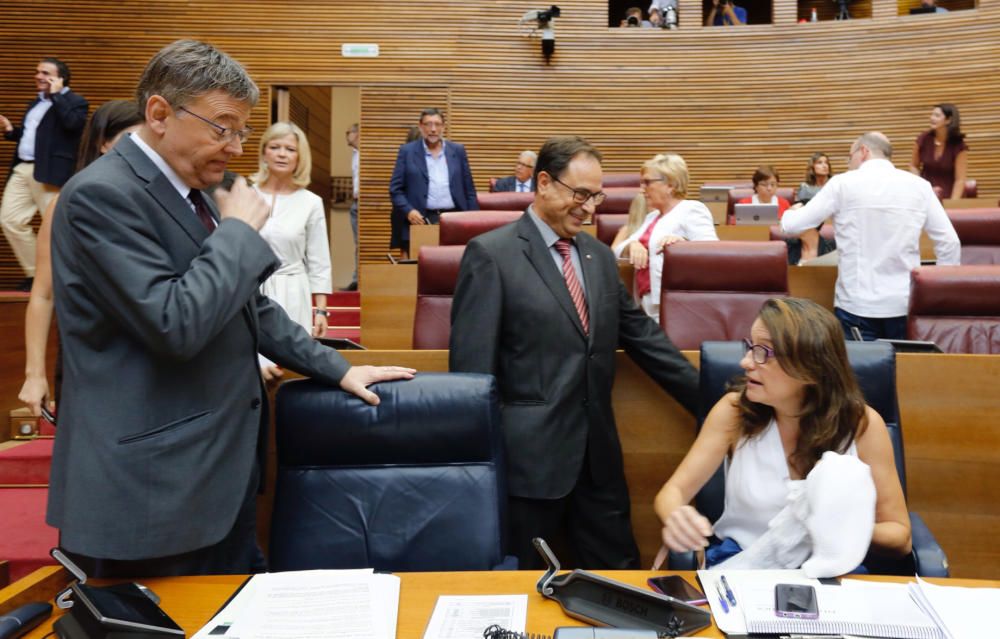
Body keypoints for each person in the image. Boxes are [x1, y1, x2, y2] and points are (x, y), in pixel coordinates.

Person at [47, 39, 415, 578]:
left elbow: (247, 308)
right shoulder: (103, 195)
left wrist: (335, 366)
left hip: (213, 485)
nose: (238, 147)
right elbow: (174, 323)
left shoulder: (190, 191)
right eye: (223, 127)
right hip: (149, 496)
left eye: (243, 130)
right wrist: (240, 231)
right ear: (159, 114)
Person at [449, 136, 699, 570]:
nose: (589, 207)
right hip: (527, 468)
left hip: (599, 462)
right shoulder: (492, 255)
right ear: (544, 183)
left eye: (595, 196)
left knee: (622, 581)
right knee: (525, 589)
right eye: (579, 194)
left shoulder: (599, 257)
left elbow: (643, 337)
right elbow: (473, 379)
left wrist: (717, 397)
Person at [652, 297, 912, 569]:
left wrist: (840, 523)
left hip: (828, 574)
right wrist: (676, 517)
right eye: (751, 347)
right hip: (743, 567)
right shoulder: (734, 412)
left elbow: (899, 535)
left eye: (763, 352)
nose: (746, 362)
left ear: (810, 369)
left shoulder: (861, 423)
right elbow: (673, 491)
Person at [18, 100, 143, 418]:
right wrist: (35, 375)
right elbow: (44, 294)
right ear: (103, 143)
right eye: (130, 139)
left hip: (146, 359)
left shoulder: (161, 204)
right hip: (86, 356)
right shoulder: (67, 203)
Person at [781, 132, 960, 340]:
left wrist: (789, 212)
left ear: (864, 151)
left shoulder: (842, 183)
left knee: (860, 371)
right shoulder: (920, 186)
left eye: (850, 156)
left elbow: (792, 227)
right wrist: (937, 295)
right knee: (905, 371)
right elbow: (950, 242)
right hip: (905, 304)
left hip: (855, 306)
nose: (849, 163)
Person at [249, 122, 332, 381]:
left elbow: (319, 260)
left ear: (299, 157)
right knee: (252, 366)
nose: (282, 154)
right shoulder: (245, 193)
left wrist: (320, 310)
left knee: (291, 366)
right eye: (275, 147)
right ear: (264, 153)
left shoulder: (311, 202)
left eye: (290, 149)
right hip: (251, 290)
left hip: (293, 289)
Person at [0, 57, 89, 290]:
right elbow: (37, 138)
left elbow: (72, 126)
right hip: (23, 168)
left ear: (60, 78)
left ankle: (61, 278)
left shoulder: (75, 102)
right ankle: (37, 273)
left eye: (45, 73)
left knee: (55, 227)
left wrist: (58, 96)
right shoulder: (35, 104)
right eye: (37, 71)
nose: (38, 76)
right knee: (10, 220)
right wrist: (12, 132)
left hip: (51, 171)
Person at [613, 153, 718, 321]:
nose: (642, 189)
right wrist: (632, 244)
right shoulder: (652, 217)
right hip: (647, 302)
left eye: (647, 182)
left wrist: (682, 246)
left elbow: (712, 254)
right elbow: (617, 250)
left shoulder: (692, 209)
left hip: (677, 304)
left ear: (670, 185)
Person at [389, 107, 477, 259]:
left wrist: (473, 221)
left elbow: (469, 190)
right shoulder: (407, 151)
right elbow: (395, 190)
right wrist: (409, 211)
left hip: (455, 218)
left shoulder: (458, 150)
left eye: (437, 124)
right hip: (422, 220)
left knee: (455, 265)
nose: (433, 129)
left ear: (443, 126)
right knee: (421, 269)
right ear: (420, 126)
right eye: (428, 124)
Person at [909, 103, 968, 200]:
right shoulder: (923, 139)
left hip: (949, 196)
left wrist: (952, 205)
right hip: (926, 195)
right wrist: (921, 187)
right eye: (932, 115)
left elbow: (960, 180)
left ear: (948, 120)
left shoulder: (958, 145)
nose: (932, 118)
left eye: (937, 115)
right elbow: (913, 165)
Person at [342, 122, 359, 291]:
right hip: (355, 203)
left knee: (362, 243)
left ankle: (359, 279)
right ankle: (357, 279)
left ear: (357, 133)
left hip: (364, 203)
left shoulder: (365, 154)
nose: (346, 135)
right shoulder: (354, 154)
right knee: (357, 243)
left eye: (348, 132)